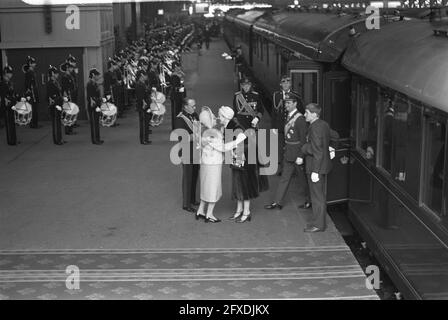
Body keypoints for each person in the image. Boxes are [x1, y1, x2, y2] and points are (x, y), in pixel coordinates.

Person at [209, 106, 259, 223]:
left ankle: (246, 212)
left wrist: (218, 146)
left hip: (245, 159)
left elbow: (236, 142)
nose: (218, 117)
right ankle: (239, 210)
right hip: (237, 158)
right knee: (238, 184)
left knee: (244, 184)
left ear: (225, 117)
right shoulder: (228, 126)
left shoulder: (236, 127)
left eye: (220, 115)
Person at [265, 94, 310, 211]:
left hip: (297, 154)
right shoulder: (289, 116)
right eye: (286, 103)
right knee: (284, 178)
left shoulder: (300, 119)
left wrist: (301, 156)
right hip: (289, 153)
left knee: (303, 180)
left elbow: (303, 139)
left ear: (295, 104)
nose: (286, 105)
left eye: (289, 103)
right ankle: (277, 202)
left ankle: (310, 200)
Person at [300, 103, 337, 232]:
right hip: (323, 165)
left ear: (314, 114)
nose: (305, 115)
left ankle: (318, 225)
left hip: (315, 167)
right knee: (319, 195)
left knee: (317, 198)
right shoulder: (323, 124)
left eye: (307, 113)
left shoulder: (314, 128)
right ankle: (318, 222)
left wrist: (315, 170)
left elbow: (317, 150)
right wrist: (331, 149)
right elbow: (335, 136)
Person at [195, 107, 223, 223]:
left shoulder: (201, 130)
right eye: (212, 117)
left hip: (204, 162)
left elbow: (199, 145)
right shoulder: (213, 133)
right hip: (214, 163)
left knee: (205, 186)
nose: (215, 118)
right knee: (213, 187)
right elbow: (221, 147)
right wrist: (235, 143)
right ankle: (209, 214)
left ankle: (200, 210)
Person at [272, 75, 302, 175]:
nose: (285, 84)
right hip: (280, 127)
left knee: (291, 148)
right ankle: (281, 168)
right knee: (280, 149)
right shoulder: (276, 95)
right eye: (283, 82)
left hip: (292, 126)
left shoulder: (296, 95)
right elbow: (274, 113)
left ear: (290, 84)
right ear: (280, 84)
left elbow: (300, 111)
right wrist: (273, 127)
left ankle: (292, 169)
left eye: (287, 82)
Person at [174, 98, 200, 213]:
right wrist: (196, 136)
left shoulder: (195, 115)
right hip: (186, 152)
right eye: (192, 106)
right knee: (188, 177)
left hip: (196, 151)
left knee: (194, 176)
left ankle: (193, 199)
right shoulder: (180, 119)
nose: (194, 108)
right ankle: (186, 203)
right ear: (185, 107)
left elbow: (199, 128)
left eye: (194, 106)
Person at [46, 65, 64, 145]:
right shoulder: (50, 83)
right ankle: (57, 140)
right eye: (56, 73)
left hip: (59, 104)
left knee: (58, 122)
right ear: (52, 73)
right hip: (54, 105)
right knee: (56, 123)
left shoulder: (55, 82)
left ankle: (59, 138)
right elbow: (50, 96)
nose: (58, 75)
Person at [0, 65, 18, 145]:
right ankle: (11, 141)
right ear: (6, 73)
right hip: (7, 106)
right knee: (9, 123)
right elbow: (4, 96)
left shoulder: (9, 82)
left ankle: (14, 139)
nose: (11, 75)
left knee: (12, 123)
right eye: (9, 73)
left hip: (12, 105)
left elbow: (12, 93)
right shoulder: (3, 83)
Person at [86, 68, 103, 145]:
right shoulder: (90, 84)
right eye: (96, 75)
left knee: (96, 122)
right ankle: (94, 139)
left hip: (97, 105)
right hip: (93, 106)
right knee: (93, 123)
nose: (97, 76)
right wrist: (93, 103)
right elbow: (89, 97)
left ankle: (98, 138)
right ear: (93, 75)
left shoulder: (94, 83)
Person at [135, 70, 152, 145]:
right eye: (145, 75)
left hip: (146, 104)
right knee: (143, 123)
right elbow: (140, 96)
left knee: (146, 121)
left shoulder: (143, 84)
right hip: (143, 106)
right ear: (141, 76)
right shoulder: (139, 84)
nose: (146, 77)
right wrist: (143, 103)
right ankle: (143, 139)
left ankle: (146, 138)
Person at [23, 56, 40, 129]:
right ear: (30, 63)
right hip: (31, 94)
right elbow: (28, 85)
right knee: (33, 109)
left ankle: (35, 123)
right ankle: (33, 124)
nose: (35, 64)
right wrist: (30, 94)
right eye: (33, 63)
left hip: (34, 93)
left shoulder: (32, 72)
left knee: (35, 109)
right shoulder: (28, 73)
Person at [60, 61, 76, 135]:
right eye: (70, 67)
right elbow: (64, 89)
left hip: (71, 95)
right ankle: (67, 130)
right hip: (68, 96)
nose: (72, 68)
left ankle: (70, 129)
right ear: (67, 68)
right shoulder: (64, 77)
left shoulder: (70, 76)